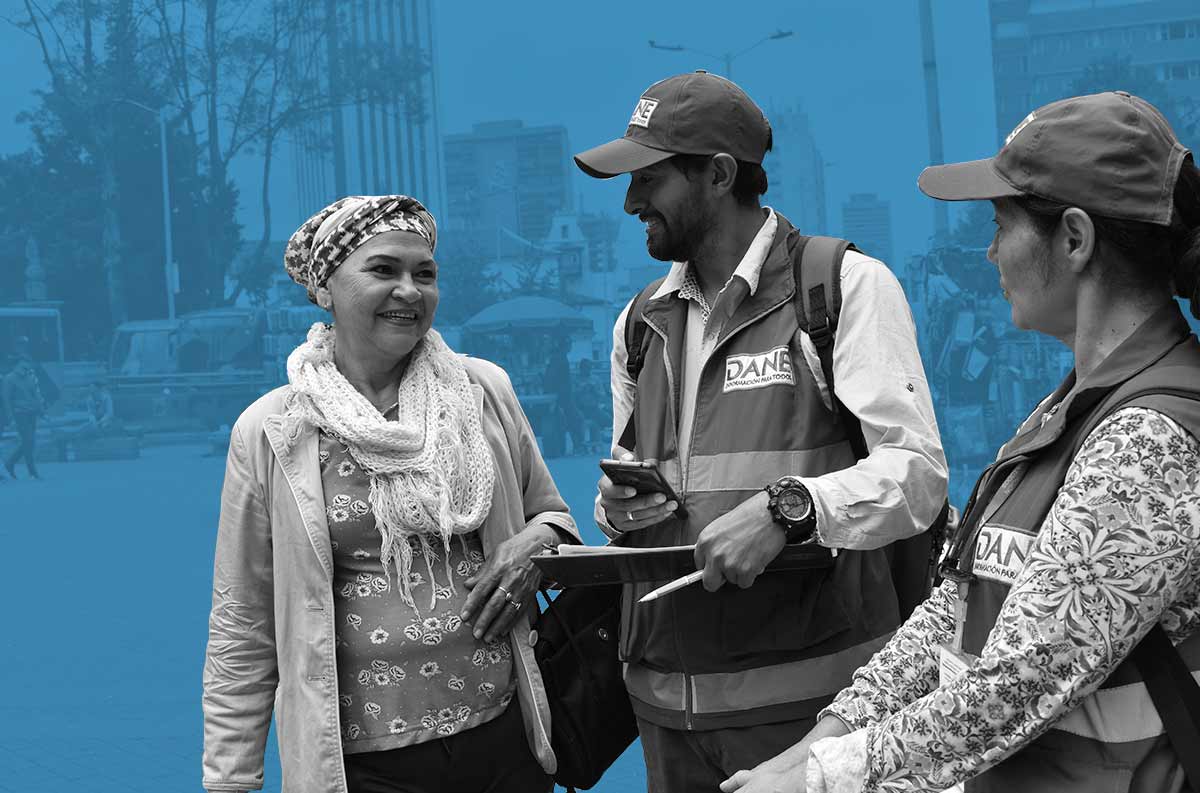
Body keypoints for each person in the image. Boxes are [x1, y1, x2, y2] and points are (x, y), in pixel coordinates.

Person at [721, 91, 1200, 793]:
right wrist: (822, 741)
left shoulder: (1148, 438)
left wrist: (822, 778)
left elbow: (1018, 678)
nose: (989, 249)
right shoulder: (1073, 408)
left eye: (1001, 224)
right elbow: (956, 606)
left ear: (1074, 238)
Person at [573, 71, 948, 793]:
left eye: (648, 179)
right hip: (665, 724)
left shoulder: (843, 290)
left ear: (717, 174)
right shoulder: (638, 324)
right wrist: (616, 509)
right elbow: (634, 478)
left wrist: (790, 508)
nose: (629, 203)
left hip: (811, 725)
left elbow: (918, 476)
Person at [201, 195, 580, 793]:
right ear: (325, 288)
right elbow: (242, 624)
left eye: (424, 274)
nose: (410, 289)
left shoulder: (482, 393)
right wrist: (230, 781)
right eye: (384, 270)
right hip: (364, 766)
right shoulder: (274, 429)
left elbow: (554, 516)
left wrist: (533, 545)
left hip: (502, 738)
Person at [3, 348, 45, 480]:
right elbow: (6, 400)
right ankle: (32, 471)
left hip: (31, 413)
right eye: (24, 363)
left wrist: (41, 411)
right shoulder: (9, 379)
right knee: (28, 441)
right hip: (19, 414)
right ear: (17, 364)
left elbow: (36, 396)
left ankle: (10, 463)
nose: (26, 366)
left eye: (28, 363)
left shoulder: (30, 377)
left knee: (29, 442)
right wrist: (10, 418)